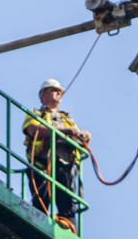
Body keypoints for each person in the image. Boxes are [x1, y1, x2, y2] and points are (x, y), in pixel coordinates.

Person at [23, 79, 90, 231]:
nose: (58, 93)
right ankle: (39, 230)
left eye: (59, 91)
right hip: (42, 163)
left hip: (65, 164)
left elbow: (79, 138)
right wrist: (61, 132)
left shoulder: (67, 119)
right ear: (42, 95)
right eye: (53, 90)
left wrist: (85, 136)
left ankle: (70, 229)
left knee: (66, 200)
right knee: (41, 200)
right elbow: (33, 130)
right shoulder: (36, 114)